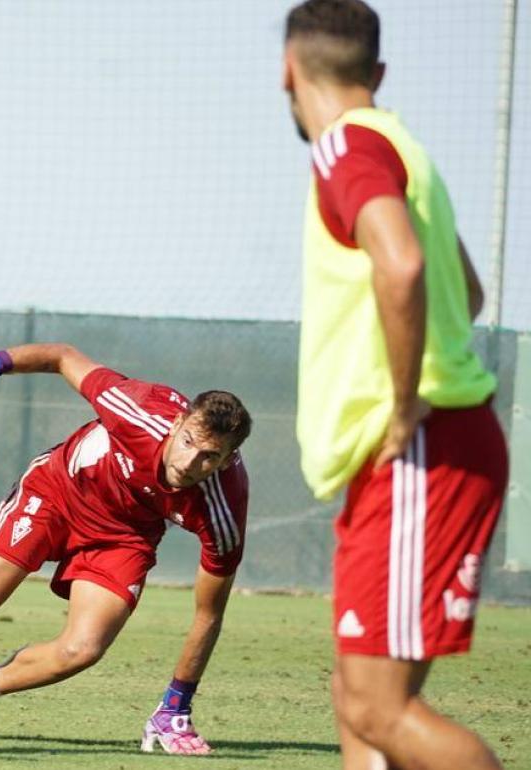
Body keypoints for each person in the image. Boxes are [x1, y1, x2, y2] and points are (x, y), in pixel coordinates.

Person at [283, 3, 508, 768]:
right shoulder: (401, 147)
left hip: (423, 443)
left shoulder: (347, 147)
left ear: (288, 71)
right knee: (358, 704)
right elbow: (467, 291)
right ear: (376, 75)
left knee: (379, 708)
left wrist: (407, 397)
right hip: (418, 449)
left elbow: (403, 265)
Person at [0, 343, 251, 754]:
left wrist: (176, 704)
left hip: (124, 536)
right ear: (177, 423)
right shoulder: (135, 408)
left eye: (209, 456)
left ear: (229, 459)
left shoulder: (223, 509)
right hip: (57, 492)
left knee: (82, 650)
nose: (190, 461)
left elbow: (208, 613)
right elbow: (61, 357)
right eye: (188, 441)